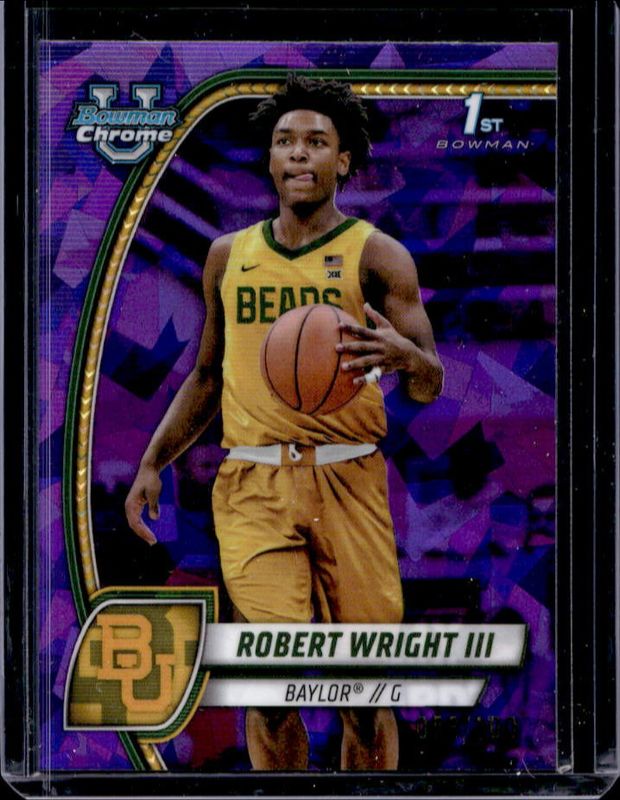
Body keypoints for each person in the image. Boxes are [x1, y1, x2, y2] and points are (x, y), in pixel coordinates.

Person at [125, 74, 443, 771]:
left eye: (317, 142)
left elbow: (428, 383)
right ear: (270, 159)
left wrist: (406, 356)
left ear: (344, 161)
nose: (299, 153)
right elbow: (208, 376)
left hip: (349, 480)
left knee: (363, 695)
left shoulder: (380, 256)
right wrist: (153, 461)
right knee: (270, 685)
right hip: (255, 483)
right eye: (285, 141)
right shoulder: (227, 255)